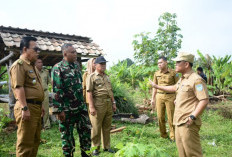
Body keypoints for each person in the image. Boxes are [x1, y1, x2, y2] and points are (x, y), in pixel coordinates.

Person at [150, 52, 209, 157]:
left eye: (178, 62)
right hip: (178, 121)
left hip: (188, 122)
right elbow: (173, 88)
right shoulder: (182, 79)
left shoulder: (196, 79)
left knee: (193, 153)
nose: (175, 64)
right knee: (182, 153)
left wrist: (193, 116)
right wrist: (157, 86)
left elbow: (204, 100)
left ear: (186, 64)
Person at [51, 43, 91, 157]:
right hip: (66, 110)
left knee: (86, 133)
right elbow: (56, 90)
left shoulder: (77, 66)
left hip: (80, 108)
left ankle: (86, 154)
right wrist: (59, 110)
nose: (75, 54)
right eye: (72, 52)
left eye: (75, 52)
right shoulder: (58, 68)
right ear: (65, 53)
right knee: (67, 138)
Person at [10, 36, 44, 157]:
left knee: (34, 141)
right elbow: (18, 88)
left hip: (35, 108)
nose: (37, 52)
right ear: (25, 49)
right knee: (25, 144)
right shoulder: (19, 65)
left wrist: (41, 105)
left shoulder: (32, 66)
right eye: (35, 49)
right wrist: (24, 108)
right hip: (27, 107)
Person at [86, 56, 117, 156]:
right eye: (101, 64)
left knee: (107, 127)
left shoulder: (106, 77)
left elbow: (110, 91)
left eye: (105, 64)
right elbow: (89, 93)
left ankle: (107, 147)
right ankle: (95, 148)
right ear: (95, 65)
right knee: (96, 127)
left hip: (108, 103)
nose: (103, 66)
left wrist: (113, 103)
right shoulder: (91, 77)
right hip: (98, 103)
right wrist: (91, 107)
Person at [151, 56, 179, 141]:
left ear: (166, 62)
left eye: (161, 62)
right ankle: (163, 135)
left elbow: (178, 86)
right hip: (159, 96)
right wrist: (153, 98)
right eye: (158, 63)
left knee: (171, 117)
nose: (159, 64)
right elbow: (154, 87)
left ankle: (173, 136)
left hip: (170, 96)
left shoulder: (174, 73)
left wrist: (177, 98)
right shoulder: (156, 73)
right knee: (160, 117)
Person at [35, 58, 51, 129]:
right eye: (39, 62)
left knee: (46, 109)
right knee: (36, 109)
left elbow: (48, 81)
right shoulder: (32, 72)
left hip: (44, 92)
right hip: (36, 93)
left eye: (41, 62)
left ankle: (46, 125)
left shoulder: (46, 72)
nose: (41, 63)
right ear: (35, 64)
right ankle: (37, 125)